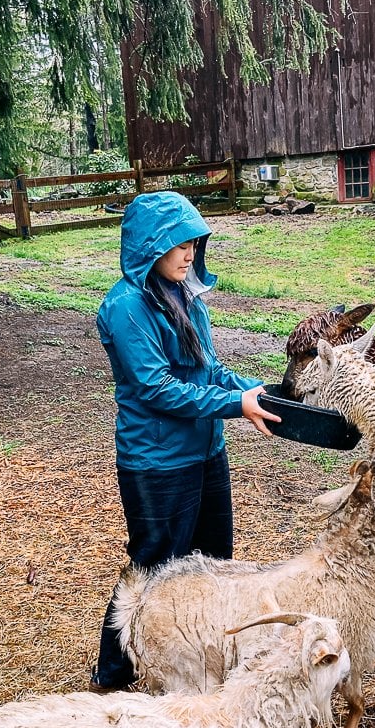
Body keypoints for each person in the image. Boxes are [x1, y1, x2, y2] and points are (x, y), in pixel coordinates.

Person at [90, 190, 281, 692]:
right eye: (179, 244)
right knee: (155, 562)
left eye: (195, 243)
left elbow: (207, 369)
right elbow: (156, 388)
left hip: (205, 452)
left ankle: (199, 657)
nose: (190, 253)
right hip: (156, 461)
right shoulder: (127, 306)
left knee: (213, 561)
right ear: (151, 246)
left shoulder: (185, 294)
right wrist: (233, 406)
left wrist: (251, 392)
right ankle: (113, 673)